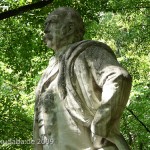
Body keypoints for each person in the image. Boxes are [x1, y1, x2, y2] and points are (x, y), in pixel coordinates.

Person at [33, 7, 132, 150]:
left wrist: (101, 126)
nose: (45, 28)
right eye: (45, 24)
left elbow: (118, 77)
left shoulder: (88, 52)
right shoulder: (50, 68)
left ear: (69, 28)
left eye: (51, 22)